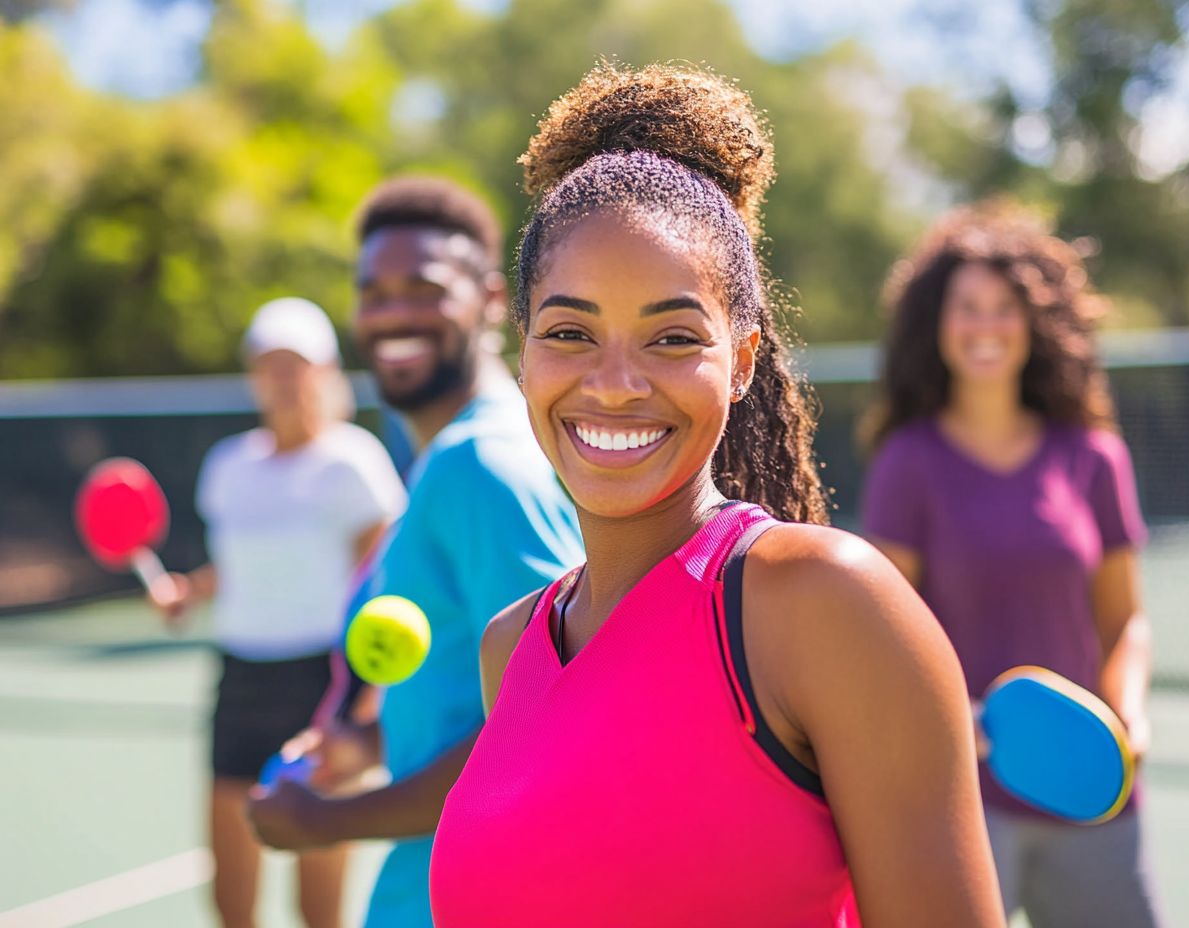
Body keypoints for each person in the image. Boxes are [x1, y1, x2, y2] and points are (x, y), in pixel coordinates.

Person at [428, 63, 1004, 927]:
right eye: (570, 332)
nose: (615, 384)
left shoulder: (828, 604)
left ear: (739, 361)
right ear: (523, 354)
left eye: (671, 337)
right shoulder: (508, 649)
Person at [245, 177, 584, 928]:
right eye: (373, 292)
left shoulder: (480, 464)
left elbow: (551, 719)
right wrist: (365, 742)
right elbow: (478, 693)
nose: (391, 312)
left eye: (422, 287)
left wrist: (328, 822)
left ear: (493, 301)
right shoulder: (448, 457)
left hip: (475, 895)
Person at [860, 200, 1162, 927]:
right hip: (960, 799)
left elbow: (1124, 620)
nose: (985, 326)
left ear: (1034, 323)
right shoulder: (909, 463)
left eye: (1004, 307)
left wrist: (1126, 716)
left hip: (1094, 798)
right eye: (967, 307)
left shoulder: (1093, 457)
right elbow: (884, 633)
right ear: (938, 325)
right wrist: (949, 721)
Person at [150, 296, 406, 928]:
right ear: (253, 375)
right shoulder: (228, 466)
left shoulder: (353, 462)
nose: (284, 379)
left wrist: (367, 696)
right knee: (230, 894)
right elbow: (240, 566)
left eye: (297, 364)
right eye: (270, 365)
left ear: (323, 372)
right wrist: (191, 591)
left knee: (318, 899)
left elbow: (387, 577)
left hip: (322, 680)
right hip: (240, 676)